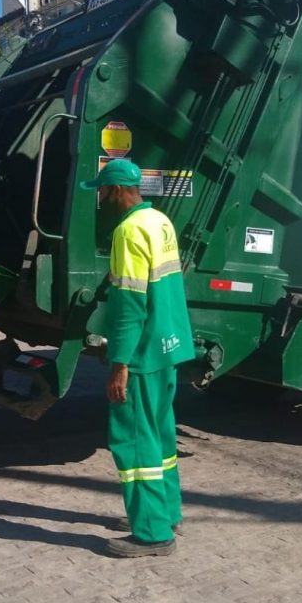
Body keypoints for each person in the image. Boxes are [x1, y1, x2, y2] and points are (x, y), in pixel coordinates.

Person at [81, 158, 195, 557]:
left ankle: (151, 534)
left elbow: (129, 304)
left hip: (142, 355)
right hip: (168, 347)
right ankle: (166, 513)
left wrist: (119, 363)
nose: (100, 198)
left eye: (101, 191)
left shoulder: (127, 232)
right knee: (162, 436)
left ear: (114, 191)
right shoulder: (160, 222)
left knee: (133, 441)